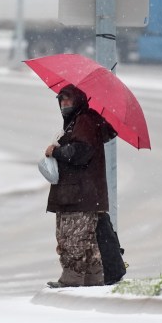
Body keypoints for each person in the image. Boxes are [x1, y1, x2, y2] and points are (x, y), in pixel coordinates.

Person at [44, 84, 114, 288]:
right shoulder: (80, 121)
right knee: (88, 242)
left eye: (68, 99)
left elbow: (81, 152)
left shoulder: (83, 121)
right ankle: (93, 279)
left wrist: (55, 152)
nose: (64, 103)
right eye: (61, 100)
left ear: (78, 101)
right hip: (84, 193)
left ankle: (72, 279)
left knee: (73, 237)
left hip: (79, 194)